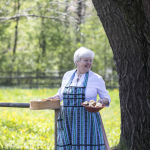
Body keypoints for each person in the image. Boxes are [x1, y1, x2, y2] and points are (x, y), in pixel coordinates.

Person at [49, 47, 111, 150]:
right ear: (77, 61)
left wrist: (101, 101)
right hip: (67, 119)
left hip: (87, 120)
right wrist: (54, 98)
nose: (89, 63)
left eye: (90, 60)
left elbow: (107, 97)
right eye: (86, 60)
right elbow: (61, 94)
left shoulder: (96, 78)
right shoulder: (67, 75)